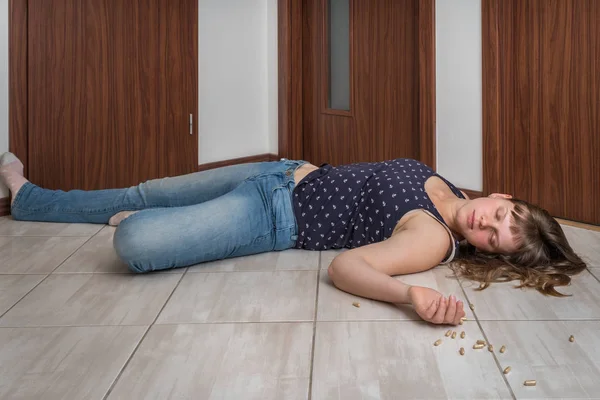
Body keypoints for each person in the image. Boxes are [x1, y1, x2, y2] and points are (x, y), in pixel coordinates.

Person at [0, 152, 586, 326]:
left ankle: (151, 226)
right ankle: (29, 198)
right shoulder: (449, 185)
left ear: (489, 251)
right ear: (502, 196)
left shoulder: (432, 239)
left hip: (273, 214)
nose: (488, 226)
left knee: (136, 245)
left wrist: (411, 297)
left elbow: (347, 268)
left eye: (499, 240)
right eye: (501, 216)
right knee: (145, 188)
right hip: (284, 169)